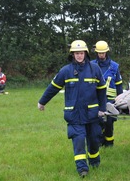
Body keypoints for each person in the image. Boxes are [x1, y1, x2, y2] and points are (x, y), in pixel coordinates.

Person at [37, 40, 107, 178]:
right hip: (74, 115)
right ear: (72, 54)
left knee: (94, 140)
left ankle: (94, 162)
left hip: (92, 114)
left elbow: (102, 90)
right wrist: (42, 102)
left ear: (85, 53)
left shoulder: (95, 69)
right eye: (76, 53)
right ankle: (82, 169)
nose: (79, 56)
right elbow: (53, 88)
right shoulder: (66, 71)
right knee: (79, 140)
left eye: (81, 53)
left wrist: (102, 108)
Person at [91, 40, 123, 147]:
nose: (101, 55)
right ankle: (100, 141)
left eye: (103, 53)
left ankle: (109, 143)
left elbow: (118, 84)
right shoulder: (91, 65)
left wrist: (120, 99)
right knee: (98, 121)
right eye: (99, 53)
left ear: (107, 52)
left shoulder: (114, 66)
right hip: (95, 99)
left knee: (109, 122)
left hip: (111, 100)